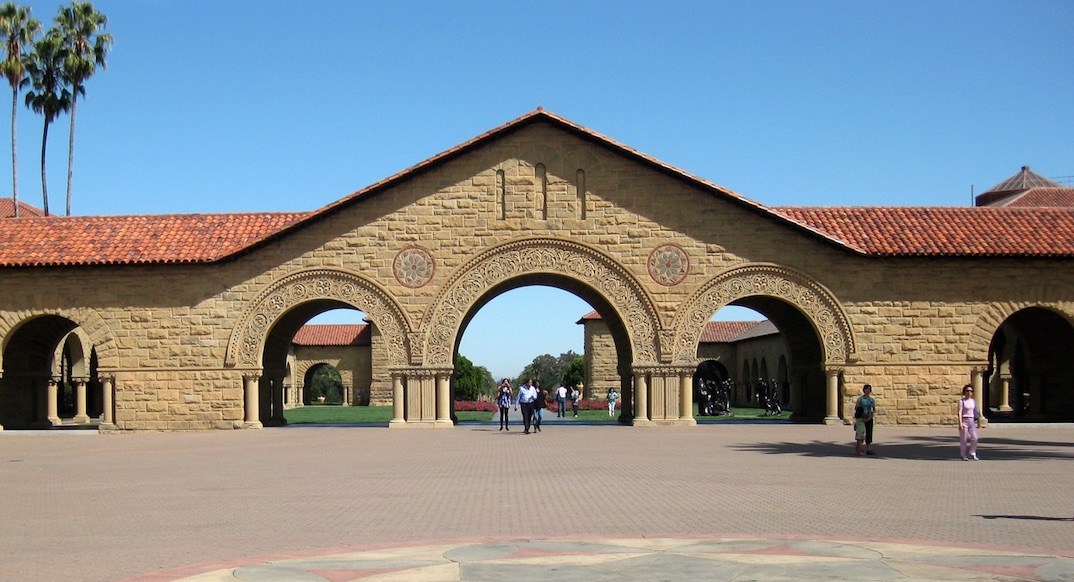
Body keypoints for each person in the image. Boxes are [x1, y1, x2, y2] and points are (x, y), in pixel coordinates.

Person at [958, 384, 979, 461]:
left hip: (972, 420)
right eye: (967, 391)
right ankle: (963, 455)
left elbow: (976, 411)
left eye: (971, 391)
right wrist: (960, 423)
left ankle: (972, 452)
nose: (969, 392)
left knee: (975, 438)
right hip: (964, 420)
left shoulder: (973, 401)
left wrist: (978, 421)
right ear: (964, 392)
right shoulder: (962, 401)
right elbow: (960, 412)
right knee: (964, 439)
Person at [855, 384, 876, 455]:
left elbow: (873, 409)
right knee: (861, 433)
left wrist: (870, 417)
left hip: (869, 418)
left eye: (869, 389)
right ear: (864, 390)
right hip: (861, 418)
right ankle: (859, 448)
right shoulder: (860, 399)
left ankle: (868, 448)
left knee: (869, 433)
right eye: (866, 389)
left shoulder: (871, 400)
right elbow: (857, 408)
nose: (868, 390)